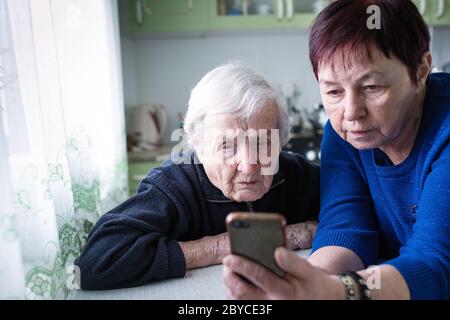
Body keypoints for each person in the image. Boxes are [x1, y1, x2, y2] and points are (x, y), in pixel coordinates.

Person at [223, 0, 449, 300]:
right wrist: (301, 282)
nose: (351, 113)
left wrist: (336, 291)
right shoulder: (345, 135)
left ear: (420, 71)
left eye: (371, 88)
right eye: (333, 91)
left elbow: (434, 265)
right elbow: (347, 230)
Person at [74, 62, 320, 290]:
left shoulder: (294, 173)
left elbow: (355, 207)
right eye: (227, 146)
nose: (249, 165)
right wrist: (218, 248)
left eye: (263, 143)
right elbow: (92, 264)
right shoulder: (172, 185)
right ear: (198, 145)